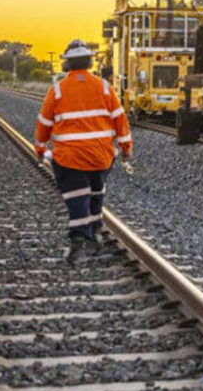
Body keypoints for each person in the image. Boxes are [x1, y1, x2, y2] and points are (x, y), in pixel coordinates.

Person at [35, 39, 132, 264]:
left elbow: (43, 124)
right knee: (96, 194)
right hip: (101, 157)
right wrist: (125, 149)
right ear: (89, 62)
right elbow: (120, 120)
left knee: (78, 199)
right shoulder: (105, 87)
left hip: (70, 158)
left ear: (67, 64)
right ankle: (95, 234)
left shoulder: (57, 91)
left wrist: (40, 149)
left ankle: (79, 243)